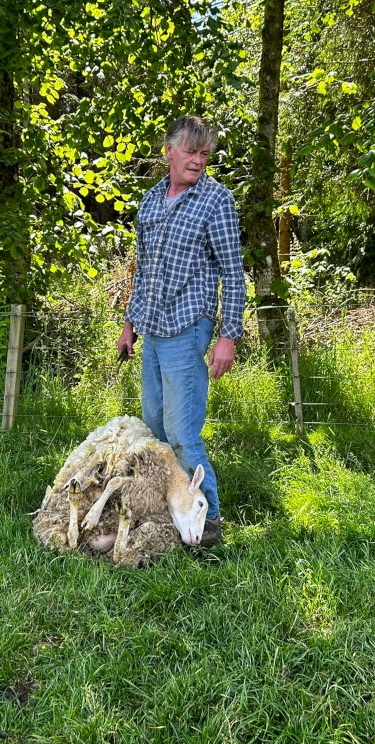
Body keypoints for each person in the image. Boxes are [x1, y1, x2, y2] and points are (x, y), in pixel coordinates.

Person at [118, 115, 247, 547]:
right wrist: (129, 325)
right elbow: (144, 271)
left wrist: (229, 335)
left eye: (204, 154)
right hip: (152, 329)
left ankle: (209, 527)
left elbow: (233, 273)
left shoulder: (216, 200)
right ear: (169, 150)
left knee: (182, 433)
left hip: (188, 327)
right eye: (191, 151)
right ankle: (172, 516)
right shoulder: (151, 200)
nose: (198, 160)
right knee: (156, 428)